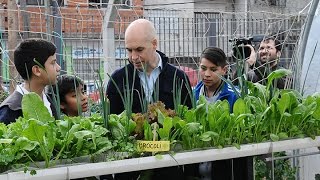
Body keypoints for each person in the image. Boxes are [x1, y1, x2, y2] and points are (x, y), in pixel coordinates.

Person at [105, 18, 193, 180]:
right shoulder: (119, 79)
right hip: (130, 167)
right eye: (129, 50)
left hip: (169, 164)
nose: (133, 57)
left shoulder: (178, 77)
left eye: (139, 49)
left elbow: (187, 122)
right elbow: (110, 125)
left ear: (154, 44)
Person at [190, 47, 253, 180]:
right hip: (197, 162)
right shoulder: (192, 94)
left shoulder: (234, 95)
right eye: (203, 68)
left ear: (224, 70)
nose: (207, 74)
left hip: (226, 166)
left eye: (213, 69)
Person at [0, 39, 60, 125]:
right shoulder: (11, 110)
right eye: (53, 63)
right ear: (37, 70)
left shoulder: (49, 101)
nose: (58, 68)